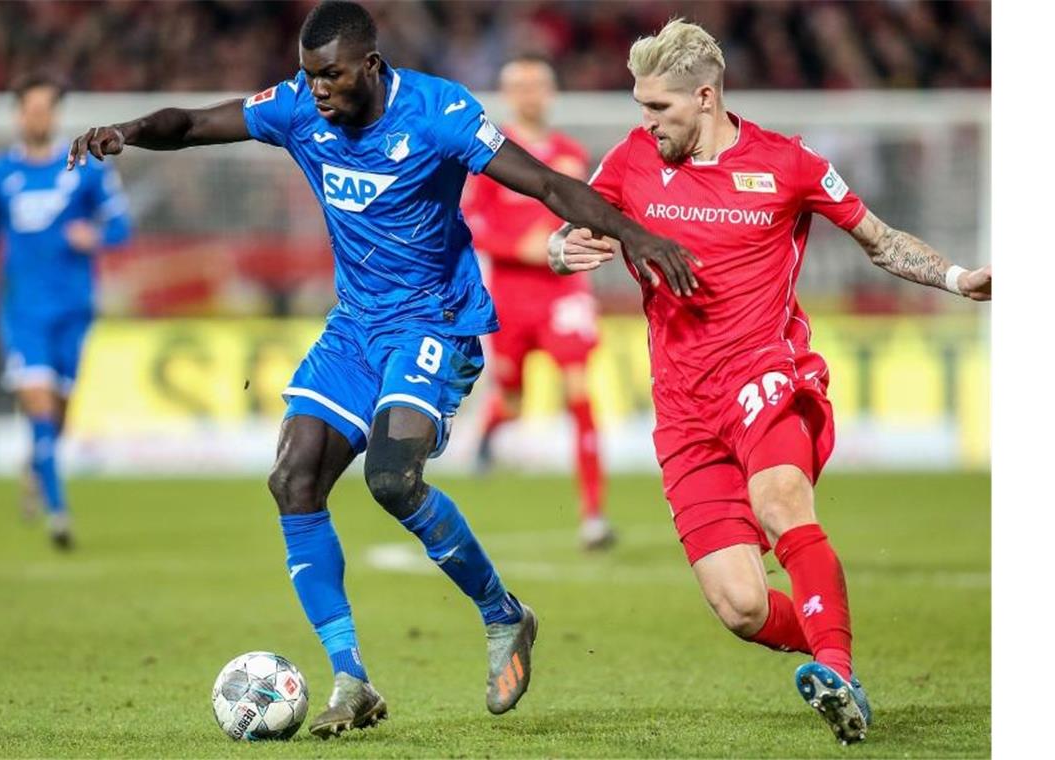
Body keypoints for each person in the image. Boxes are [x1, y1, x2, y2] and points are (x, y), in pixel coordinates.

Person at [67, 0, 698, 739]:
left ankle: (504, 616)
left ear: (369, 64)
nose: (318, 91)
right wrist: (132, 133)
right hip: (354, 329)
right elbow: (201, 123)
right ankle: (352, 677)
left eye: (331, 75)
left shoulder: (437, 112)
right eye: (309, 76)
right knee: (292, 478)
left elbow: (545, 186)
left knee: (392, 480)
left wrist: (634, 236)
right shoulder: (300, 108)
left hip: (434, 322)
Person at [549, 18, 990, 746]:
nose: (646, 122)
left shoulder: (788, 164)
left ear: (707, 96)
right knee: (741, 608)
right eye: (640, 107)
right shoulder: (630, 162)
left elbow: (880, 242)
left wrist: (953, 276)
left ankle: (839, 674)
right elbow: (567, 230)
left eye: (659, 108)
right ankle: (826, 651)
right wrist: (562, 250)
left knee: (782, 502)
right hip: (683, 409)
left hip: (767, 372)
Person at [462, 55, 611, 550]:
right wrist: (515, 247)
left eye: (539, 85)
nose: (531, 94)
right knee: (511, 398)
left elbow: (585, 215)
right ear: (508, 95)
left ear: (551, 92)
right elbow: (470, 224)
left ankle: (593, 515)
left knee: (578, 389)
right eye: (520, 85)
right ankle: (488, 433)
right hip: (510, 294)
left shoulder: (571, 153)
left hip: (563, 289)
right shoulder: (487, 154)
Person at [0, 73, 132, 550]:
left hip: (73, 308)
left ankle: (37, 463)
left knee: (58, 414)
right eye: (31, 108)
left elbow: (121, 225)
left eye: (46, 108)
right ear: (19, 113)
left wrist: (97, 237)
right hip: (22, 309)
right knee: (40, 406)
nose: (38, 116)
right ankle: (58, 515)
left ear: (56, 114)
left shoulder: (86, 170)